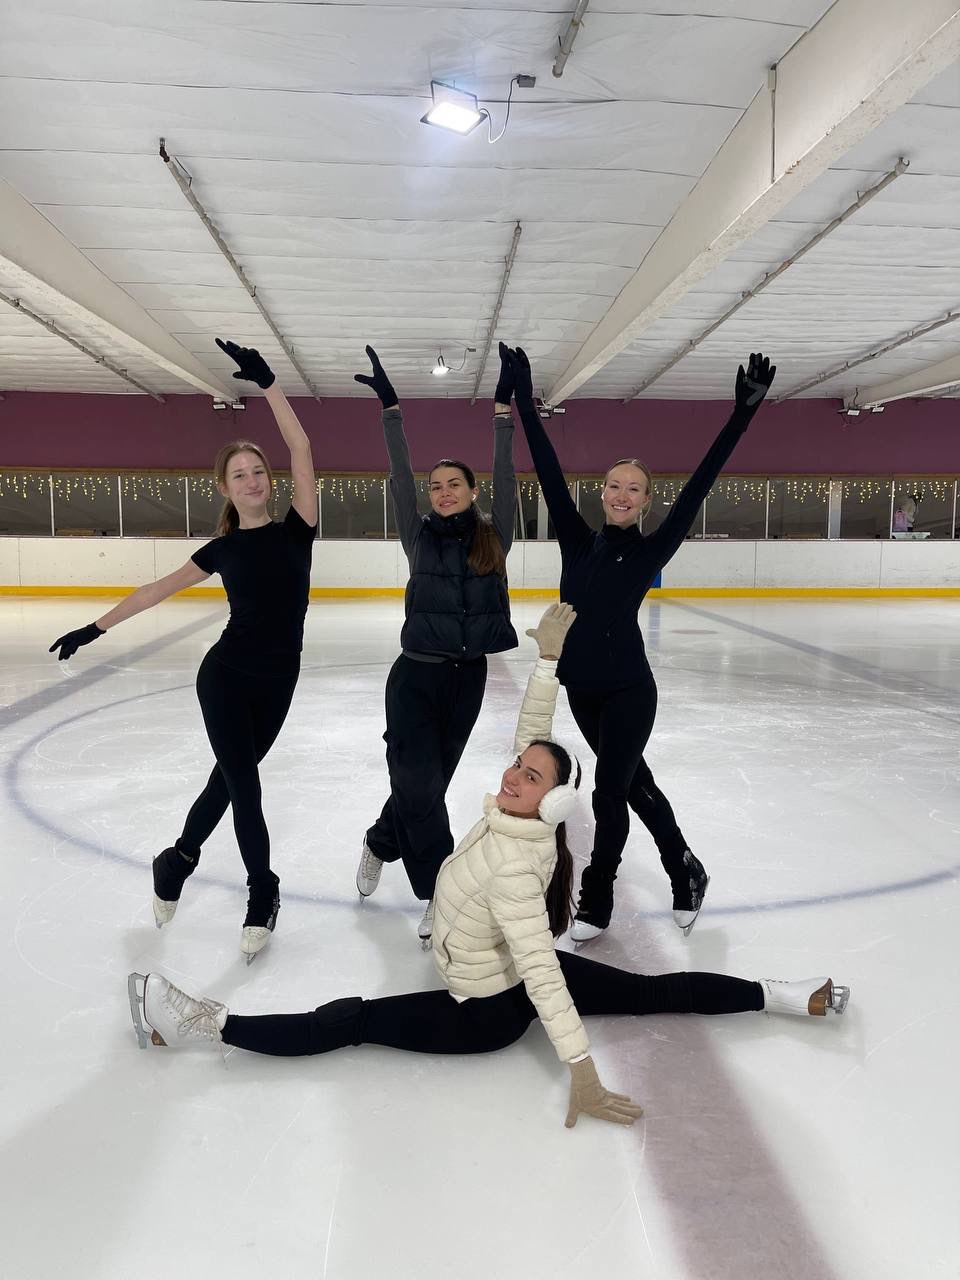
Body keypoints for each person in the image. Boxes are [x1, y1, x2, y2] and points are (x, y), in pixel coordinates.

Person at [128, 604, 849, 1129]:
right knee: (650, 992)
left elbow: (541, 971)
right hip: (500, 971)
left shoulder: (515, 869)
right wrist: (547, 663)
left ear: (553, 802)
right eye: (518, 765)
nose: (512, 775)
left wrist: (583, 1073)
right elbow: (534, 733)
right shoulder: (520, 814)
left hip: (481, 1012)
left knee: (352, 1019)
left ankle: (202, 1025)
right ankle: (785, 996)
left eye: (530, 777)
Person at [50, 340, 317, 963]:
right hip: (224, 676)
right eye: (239, 474)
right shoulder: (221, 550)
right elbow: (155, 591)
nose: (251, 480)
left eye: (258, 471)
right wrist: (94, 628)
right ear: (225, 487)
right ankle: (263, 889)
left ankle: (177, 860)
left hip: (279, 681)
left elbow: (302, 448)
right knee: (244, 784)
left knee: (227, 781)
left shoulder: (298, 530)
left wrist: (270, 385)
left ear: (270, 480)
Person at [503, 345, 776, 943]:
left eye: (635, 489)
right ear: (602, 491)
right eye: (614, 485)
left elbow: (700, 484)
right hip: (584, 691)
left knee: (609, 792)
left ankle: (598, 895)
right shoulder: (577, 541)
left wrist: (742, 415)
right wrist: (524, 400)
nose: (623, 495)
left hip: (629, 690)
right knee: (635, 788)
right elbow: (545, 468)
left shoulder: (652, 549)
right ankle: (686, 866)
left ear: (647, 500)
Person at [352, 344, 518, 943]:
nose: (443, 492)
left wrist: (504, 413)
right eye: (436, 486)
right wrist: (390, 411)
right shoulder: (416, 535)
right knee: (420, 785)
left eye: (454, 484)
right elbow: (399, 474)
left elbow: (507, 474)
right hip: (415, 678)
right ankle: (438, 892)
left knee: (427, 785)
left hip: (467, 679)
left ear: (473, 491)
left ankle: (380, 840)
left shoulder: (495, 537)